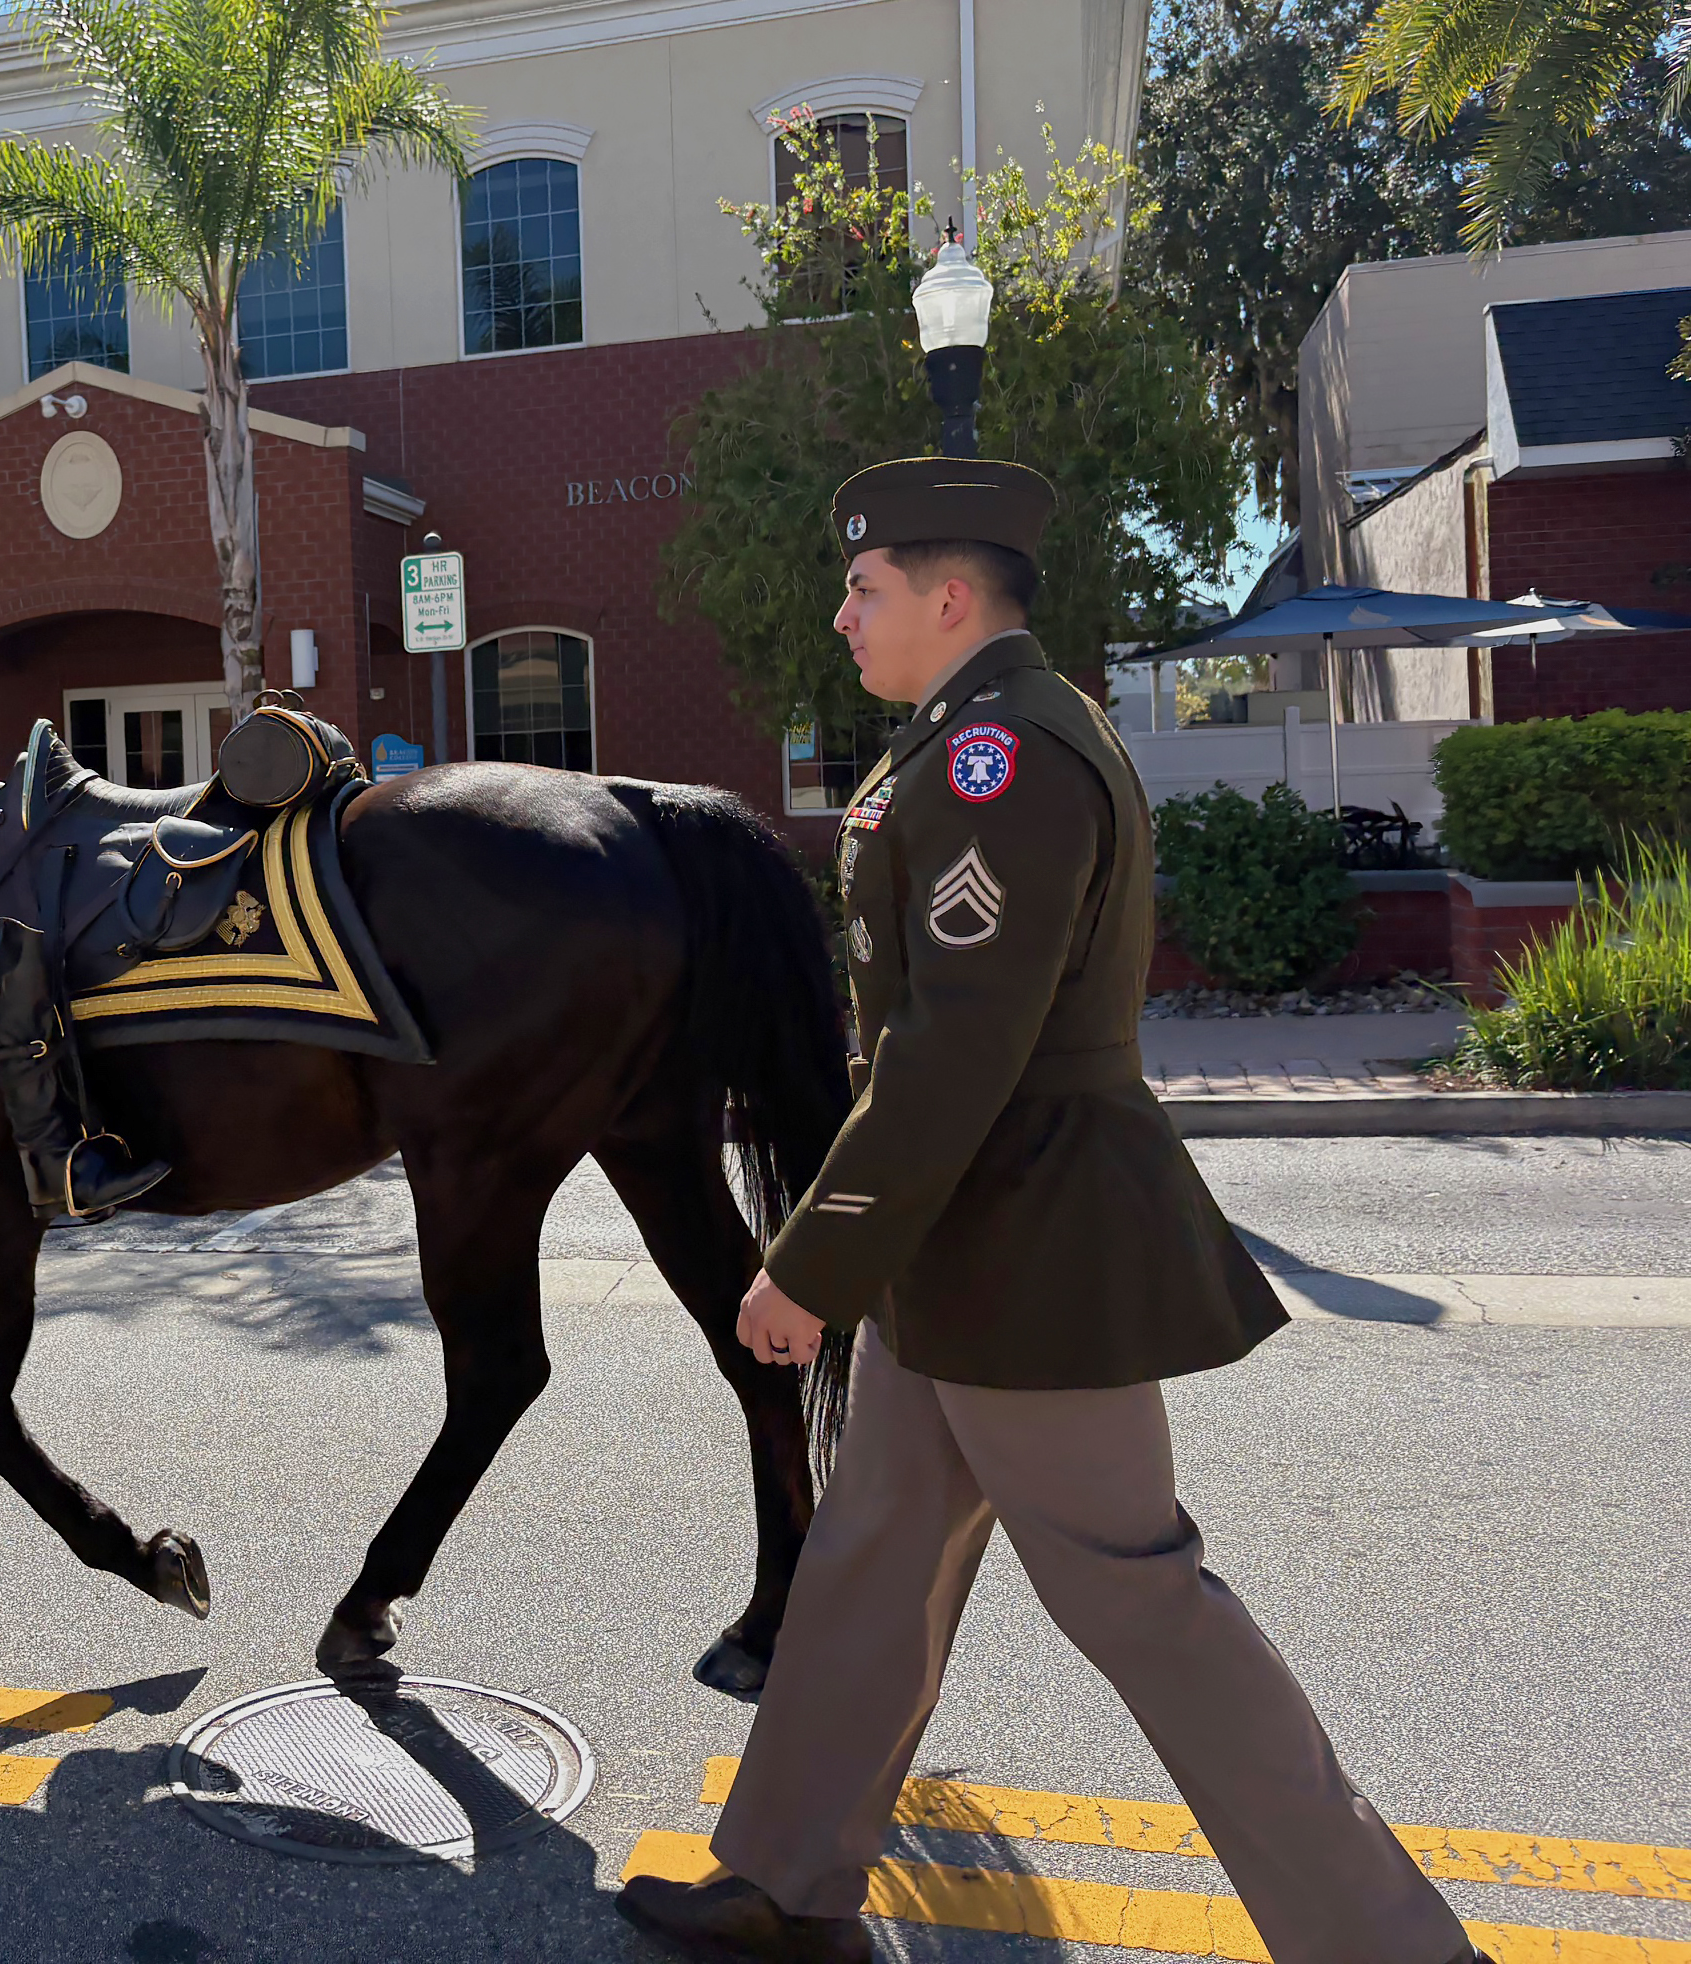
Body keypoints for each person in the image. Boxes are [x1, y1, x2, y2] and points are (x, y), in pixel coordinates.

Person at [616, 460, 1487, 1964]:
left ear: (951, 599)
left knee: (1147, 1605)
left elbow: (957, 1051)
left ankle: (1390, 1948)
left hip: (1028, 1249)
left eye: (865, 589)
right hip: (960, 1253)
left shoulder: (1000, 761)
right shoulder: (971, 738)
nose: (842, 614)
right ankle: (785, 1882)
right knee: (874, 1549)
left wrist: (812, 1262)